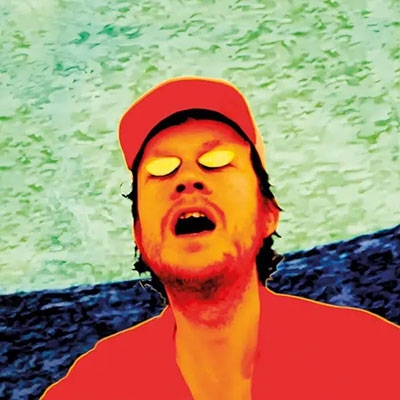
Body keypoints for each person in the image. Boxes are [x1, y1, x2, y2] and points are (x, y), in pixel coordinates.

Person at [41, 77, 399, 400]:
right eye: (160, 169)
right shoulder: (93, 388)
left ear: (268, 213)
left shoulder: (374, 361)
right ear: (139, 233)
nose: (187, 179)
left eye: (216, 160)